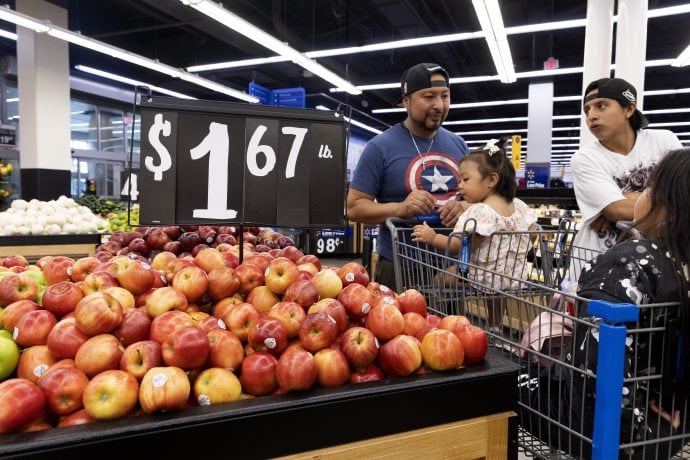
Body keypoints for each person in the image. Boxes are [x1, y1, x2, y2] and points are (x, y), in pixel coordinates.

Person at [523, 148, 690, 458]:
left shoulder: (626, 264)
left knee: (504, 379)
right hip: (672, 426)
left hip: (610, 432)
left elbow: (591, 378)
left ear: (667, 205)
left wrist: (626, 429)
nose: (636, 195)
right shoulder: (681, 264)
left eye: (646, 187)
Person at [347, 63, 469, 290]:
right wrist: (399, 209)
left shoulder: (459, 145)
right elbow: (354, 208)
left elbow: (480, 199)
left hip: (450, 270)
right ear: (406, 101)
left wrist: (465, 208)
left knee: (452, 327)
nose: (439, 105)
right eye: (429, 96)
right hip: (399, 268)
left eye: (445, 96)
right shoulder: (380, 147)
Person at [411, 138, 537, 329]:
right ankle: (495, 324)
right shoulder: (518, 206)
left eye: (465, 179)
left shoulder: (480, 212)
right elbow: (533, 234)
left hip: (481, 275)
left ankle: (436, 319)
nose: (459, 185)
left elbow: (458, 246)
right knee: (497, 289)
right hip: (512, 276)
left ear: (492, 180)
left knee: (440, 279)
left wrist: (432, 237)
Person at [570, 77, 682, 280]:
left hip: (658, 267)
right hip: (599, 268)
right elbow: (617, 210)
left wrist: (622, 198)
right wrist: (664, 201)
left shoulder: (664, 141)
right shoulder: (585, 158)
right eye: (587, 110)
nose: (591, 116)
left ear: (629, 109)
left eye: (601, 105)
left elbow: (684, 196)